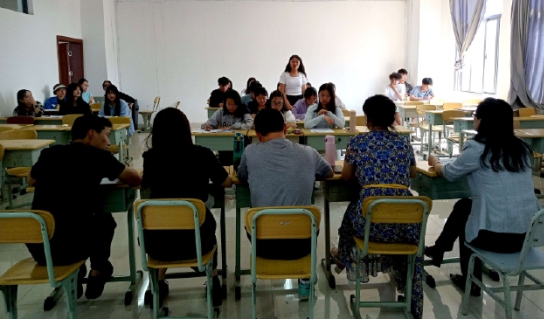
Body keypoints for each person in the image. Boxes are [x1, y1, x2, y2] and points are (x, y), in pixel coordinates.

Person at [425, 98, 541, 296]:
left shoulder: (477, 148)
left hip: (495, 238)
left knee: (468, 218)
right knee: (465, 206)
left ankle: (471, 281)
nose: (474, 119)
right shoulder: (521, 148)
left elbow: (450, 173)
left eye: (475, 116)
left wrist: (435, 162)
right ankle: (439, 249)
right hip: (527, 236)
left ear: (482, 120)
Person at [26, 115, 141, 299]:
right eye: (106, 135)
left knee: (66, 219)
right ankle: (97, 270)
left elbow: (31, 179)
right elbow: (134, 178)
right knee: (103, 220)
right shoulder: (99, 157)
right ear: (92, 133)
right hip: (73, 248)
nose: (109, 142)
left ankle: (76, 275)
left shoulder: (51, 153)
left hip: (42, 249)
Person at [332, 95, 423, 318]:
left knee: (352, 213)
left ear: (369, 118)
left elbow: (346, 176)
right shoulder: (403, 142)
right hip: (404, 226)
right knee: (365, 211)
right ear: (392, 118)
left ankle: (342, 257)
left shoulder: (358, 142)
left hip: (370, 226)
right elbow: (412, 173)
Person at [237, 109, 333, 299]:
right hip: (302, 245)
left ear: (258, 134)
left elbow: (241, 176)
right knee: (307, 220)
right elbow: (328, 173)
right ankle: (305, 280)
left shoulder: (250, 151)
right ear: (284, 128)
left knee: (254, 220)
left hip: (263, 244)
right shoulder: (309, 152)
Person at [142, 108, 233, 306]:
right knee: (204, 221)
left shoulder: (150, 157)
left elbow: (145, 184)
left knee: (166, 223)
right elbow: (226, 182)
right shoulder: (202, 154)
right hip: (197, 241)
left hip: (157, 244)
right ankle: (213, 280)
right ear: (186, 129)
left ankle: (158, 284)